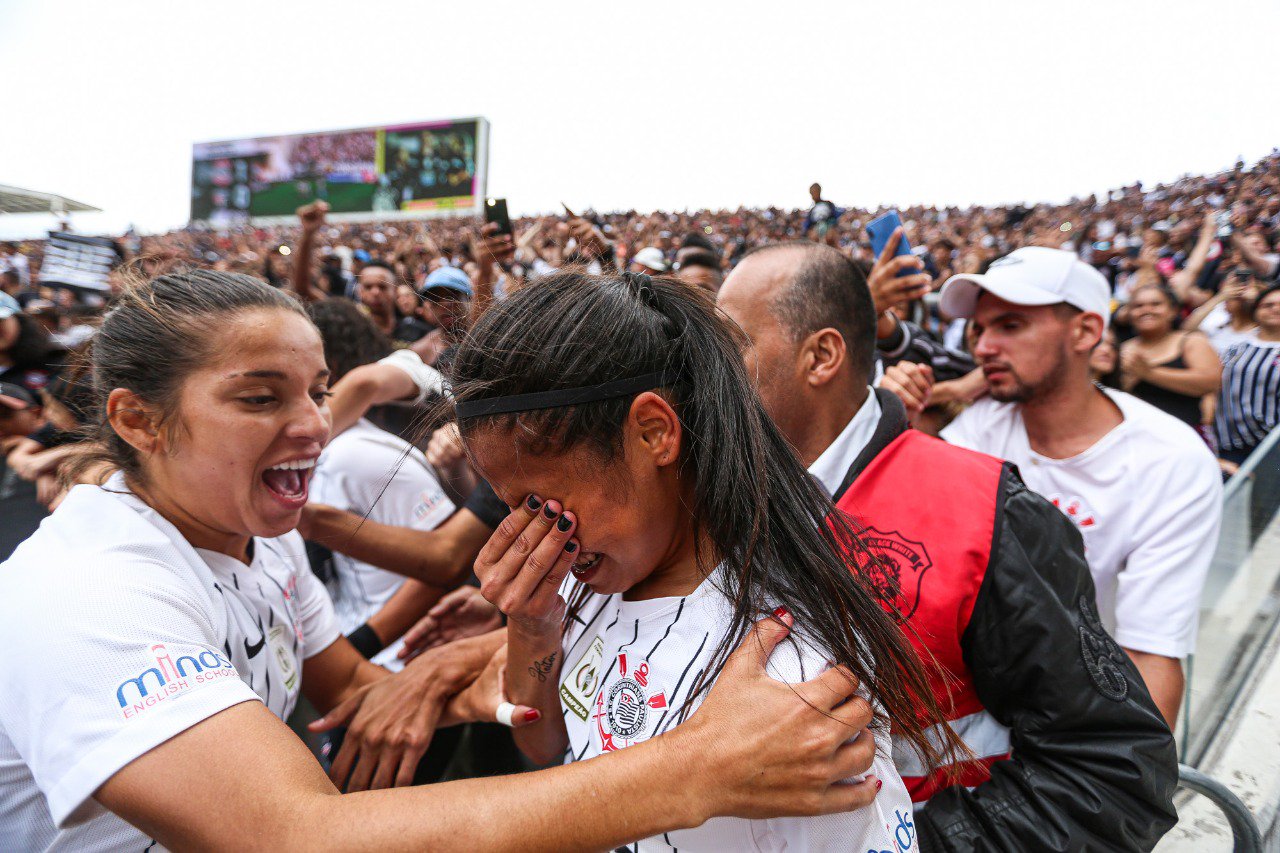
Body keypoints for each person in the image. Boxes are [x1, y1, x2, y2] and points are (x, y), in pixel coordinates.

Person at [0, 269, 886, 850]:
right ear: (138, 421)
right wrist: (695, 766)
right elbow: (286, 836)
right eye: (260, 396)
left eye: (318, 388)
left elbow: (356, 692)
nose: (314, 423)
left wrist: (507, 647)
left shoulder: (255, 545)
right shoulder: (89, 592)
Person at [448, 268, 958, 851]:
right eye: (511, 507)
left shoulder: (786, 669)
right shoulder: (592, 576)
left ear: (651, 433)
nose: (524, 532)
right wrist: (532, 626)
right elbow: (545, 744)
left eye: (539, 501)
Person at [717, 241, 1177, 850]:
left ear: (822, 355)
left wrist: (901, 844)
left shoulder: (988, 513)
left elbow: (1114, 774)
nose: (708, 367)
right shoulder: (704, 497)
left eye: (732, 344)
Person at [938, 246, 1223, 727]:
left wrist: (1127, 785)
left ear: (1087, 332)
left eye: (1010, 326)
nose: (983, 346)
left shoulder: (1170, 461)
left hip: (1083, 712)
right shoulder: (977, 429)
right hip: (969, 699)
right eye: (980, 329)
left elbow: (1151, 652)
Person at [1118, 284, 1221, 432]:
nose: (1146, 310)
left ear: (1172, 311)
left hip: (1187, 433)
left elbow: (1211, 382)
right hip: (1137, 434)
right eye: (1138, 306)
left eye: (1156, 304)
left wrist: (1149, 373)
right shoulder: (1121, 349)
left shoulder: (1191, 341)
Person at [1215, 282, 1280, 466]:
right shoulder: (1233, 349)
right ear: (1256, 311)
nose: (1275, 309)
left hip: (1272, 448)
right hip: (1229, 445)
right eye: (1268, 305)